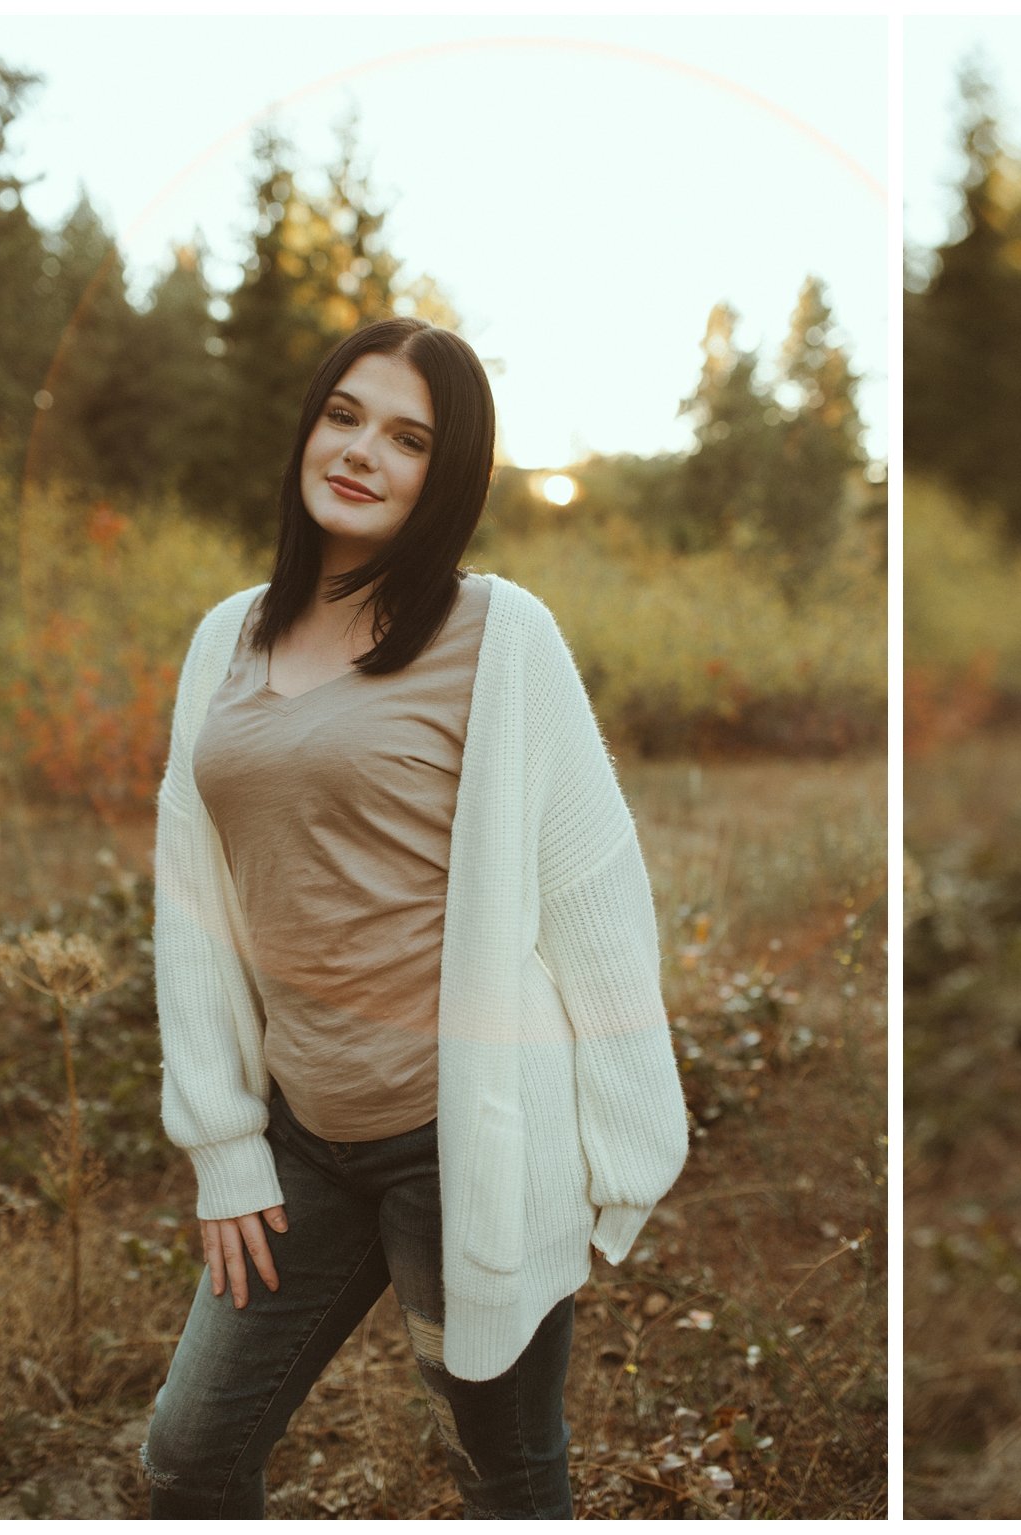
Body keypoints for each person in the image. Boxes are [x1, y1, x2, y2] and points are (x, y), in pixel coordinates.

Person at [139, 316, 689, 1518]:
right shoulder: (225, 637)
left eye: (406, 438)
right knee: (185, 1461)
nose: (360, 452)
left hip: (465, 1142)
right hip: (296, 1139)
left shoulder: (498, 635)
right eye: (343, 415)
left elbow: (591, 887)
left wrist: (633, 1148)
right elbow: (191, 893)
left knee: (501, 1471)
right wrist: (223, 1141)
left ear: (448, 476)